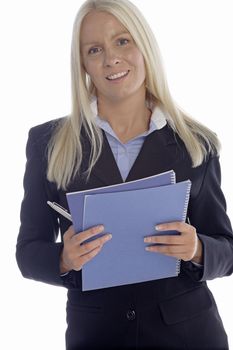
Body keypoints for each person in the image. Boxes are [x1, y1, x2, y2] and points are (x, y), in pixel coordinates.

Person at [16, 0, 233, 349]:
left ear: (144, 45)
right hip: (99, 336)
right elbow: (28, 253)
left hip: (188, 336)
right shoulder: (48, 143)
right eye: (94, 49)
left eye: (123, 41)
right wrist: (63, 258)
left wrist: (196, 249)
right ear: (83, 64)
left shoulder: (196, 142)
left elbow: (227, 248)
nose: (111, 59)